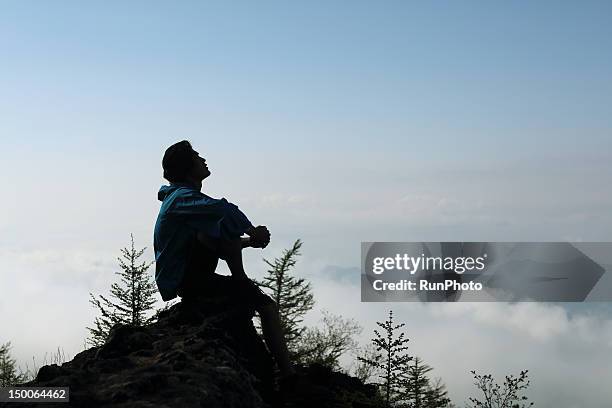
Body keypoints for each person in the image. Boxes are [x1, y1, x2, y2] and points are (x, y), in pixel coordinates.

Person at [153, 140, 293, 377]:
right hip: (188, 279)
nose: (203, 159)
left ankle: (241, 285)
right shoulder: (180, 198)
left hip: (190, 276)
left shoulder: (181, 199)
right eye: (197, 156)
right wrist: (252, 230)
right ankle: (289, 375)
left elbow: (214, 240)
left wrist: (249, 241)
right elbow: (224, 211)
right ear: (188, 167)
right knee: (267, 308)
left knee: (216, 226)